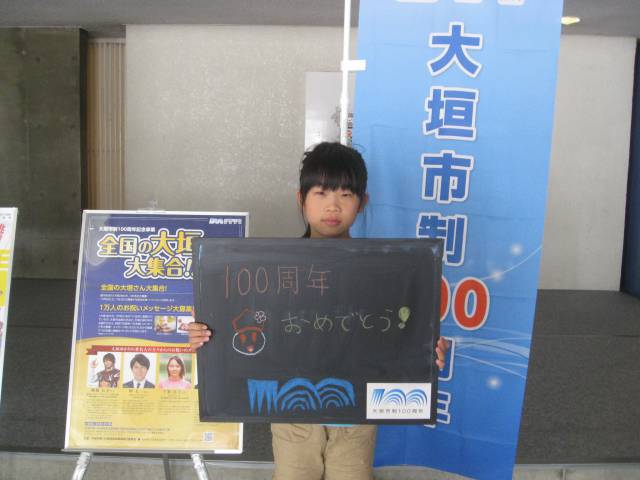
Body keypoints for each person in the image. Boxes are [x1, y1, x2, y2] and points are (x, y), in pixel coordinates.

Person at [188, 142, 449, 480]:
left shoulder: (386, 270)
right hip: (291, 409)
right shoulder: (270, 270)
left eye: (345, 194)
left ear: (362, 202)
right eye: (321, 193)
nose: (332, 206)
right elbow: (239, 324)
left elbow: (403, 329)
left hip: (356, 412)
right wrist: (207, 336)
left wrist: (426, 348)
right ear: (301, 199)